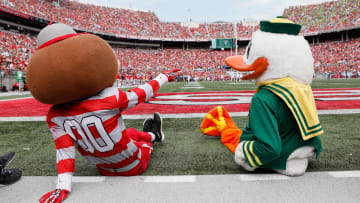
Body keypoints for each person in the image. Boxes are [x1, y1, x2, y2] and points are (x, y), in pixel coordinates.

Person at [25, 23, 179, 203]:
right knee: (142, 146)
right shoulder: (108, 98)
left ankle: (153, 134)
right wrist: (163, 76)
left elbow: (64, 153)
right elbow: (141, 93)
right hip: (133, 165)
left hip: (103, 168)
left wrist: (62, 188)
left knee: (130, 133)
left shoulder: (55, 116)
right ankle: (154, 137)